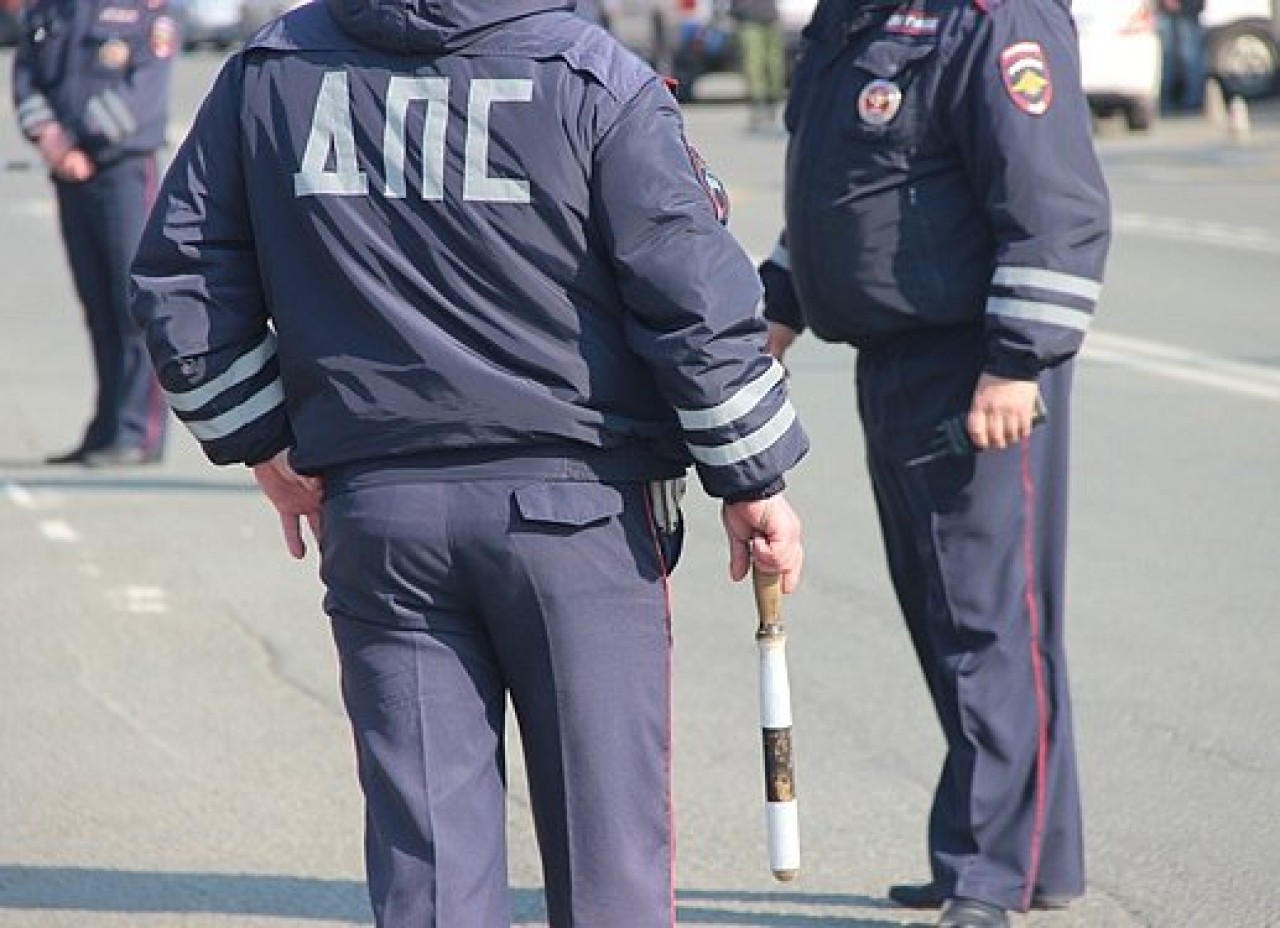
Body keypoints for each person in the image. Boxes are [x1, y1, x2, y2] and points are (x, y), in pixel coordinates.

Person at [129, 1, 808, 925]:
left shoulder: (271, 69)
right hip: (580, 521)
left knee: (431, 873)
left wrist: (265, 442)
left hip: (380, 514)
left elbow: (182, 273)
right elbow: (692, 297)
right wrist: (753, 477)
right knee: (608, 855)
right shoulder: (590, 76)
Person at [758, 1, 1111, 927]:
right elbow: (845, 187)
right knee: (949, 615)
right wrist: (781, 303)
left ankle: (988, 876)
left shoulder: (994, 20)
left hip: (974, 367)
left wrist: (1016, 359)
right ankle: (1034, 857)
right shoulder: (852, 20)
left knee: (986, 624)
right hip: (893, 359)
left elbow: (1055, 207)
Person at [12, 0, 177, 466]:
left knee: (133, 304)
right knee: (98, 306)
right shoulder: (52, 10)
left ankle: (137, 431)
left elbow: (143, 92)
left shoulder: (147, 10)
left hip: (122, 169)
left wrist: (79, 140)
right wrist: (49, 137)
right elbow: (26, 75)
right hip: (69, 172)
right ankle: (105, 427)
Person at [729, 0, 787, 131]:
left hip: (771, 17)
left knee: (775, 66)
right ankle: (758, 106)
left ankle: (772, 105)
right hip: (749, 19)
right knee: (754, 64)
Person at [1157, 0, 1208, 113]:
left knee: (1188, 59)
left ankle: (1189, 103)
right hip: (1178, 11)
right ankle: (1175, 103)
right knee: (1171, 60)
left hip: (1187, 11)